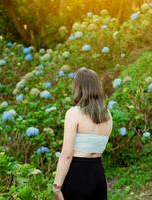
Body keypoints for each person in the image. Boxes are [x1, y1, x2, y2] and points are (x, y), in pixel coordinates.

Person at [52, 67, 113, 200]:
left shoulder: (74, 113)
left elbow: (67, 154)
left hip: (77, 175)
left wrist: (57, 187)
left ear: (78, 87)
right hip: (98, 174)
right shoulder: (108, 115)